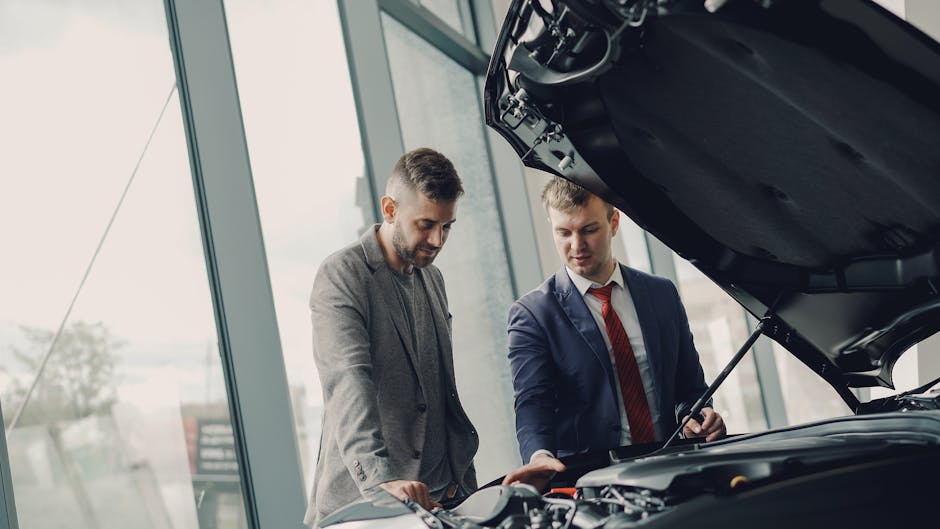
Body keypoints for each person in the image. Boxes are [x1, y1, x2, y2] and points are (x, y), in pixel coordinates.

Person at [502, 177, 726, 487]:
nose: (576, 245)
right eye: (563, 233)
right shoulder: (533, 315)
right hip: (592, 483)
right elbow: (532, 402)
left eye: (589, 230)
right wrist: (539, 455)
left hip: (671, 470)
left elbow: (689, 387)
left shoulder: (661, 294)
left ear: (614, 222)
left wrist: (698, 416)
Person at [303, 148, 478, 527]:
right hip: (368, 508)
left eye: (447, 226)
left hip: (440, 500)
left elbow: (436, 387)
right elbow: (348, 380)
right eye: (426, 224)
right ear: (390, 208)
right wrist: (381, 482)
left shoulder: (433, 278)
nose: (437, 239)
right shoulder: (343, 274)